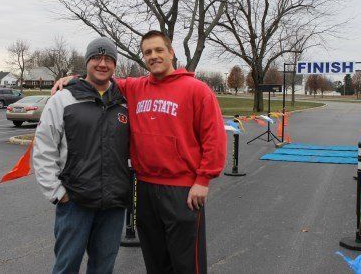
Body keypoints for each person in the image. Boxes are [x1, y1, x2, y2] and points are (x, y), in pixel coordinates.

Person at [53, 30, 227, 274]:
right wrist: (74, 78)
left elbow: (214, 138)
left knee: (187, 263)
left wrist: (203, 179)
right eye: (148, 52)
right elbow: (101, 79)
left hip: (183, 188)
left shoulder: (197, 90)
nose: (153, 56)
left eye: (158, 50)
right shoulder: (135, 88)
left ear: (171, 52)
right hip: (143, 186)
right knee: (155, 259)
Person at [33, 37, 130, 274]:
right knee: (66, 266)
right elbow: (44, 149)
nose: (102, 64)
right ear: (86, 62)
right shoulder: (63, 99)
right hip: (75, 202)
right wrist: (58, 193)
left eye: (108, 59)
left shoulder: (125, 103)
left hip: (114, 204)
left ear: (115, 65)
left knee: (103, 268)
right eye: (96, 58)